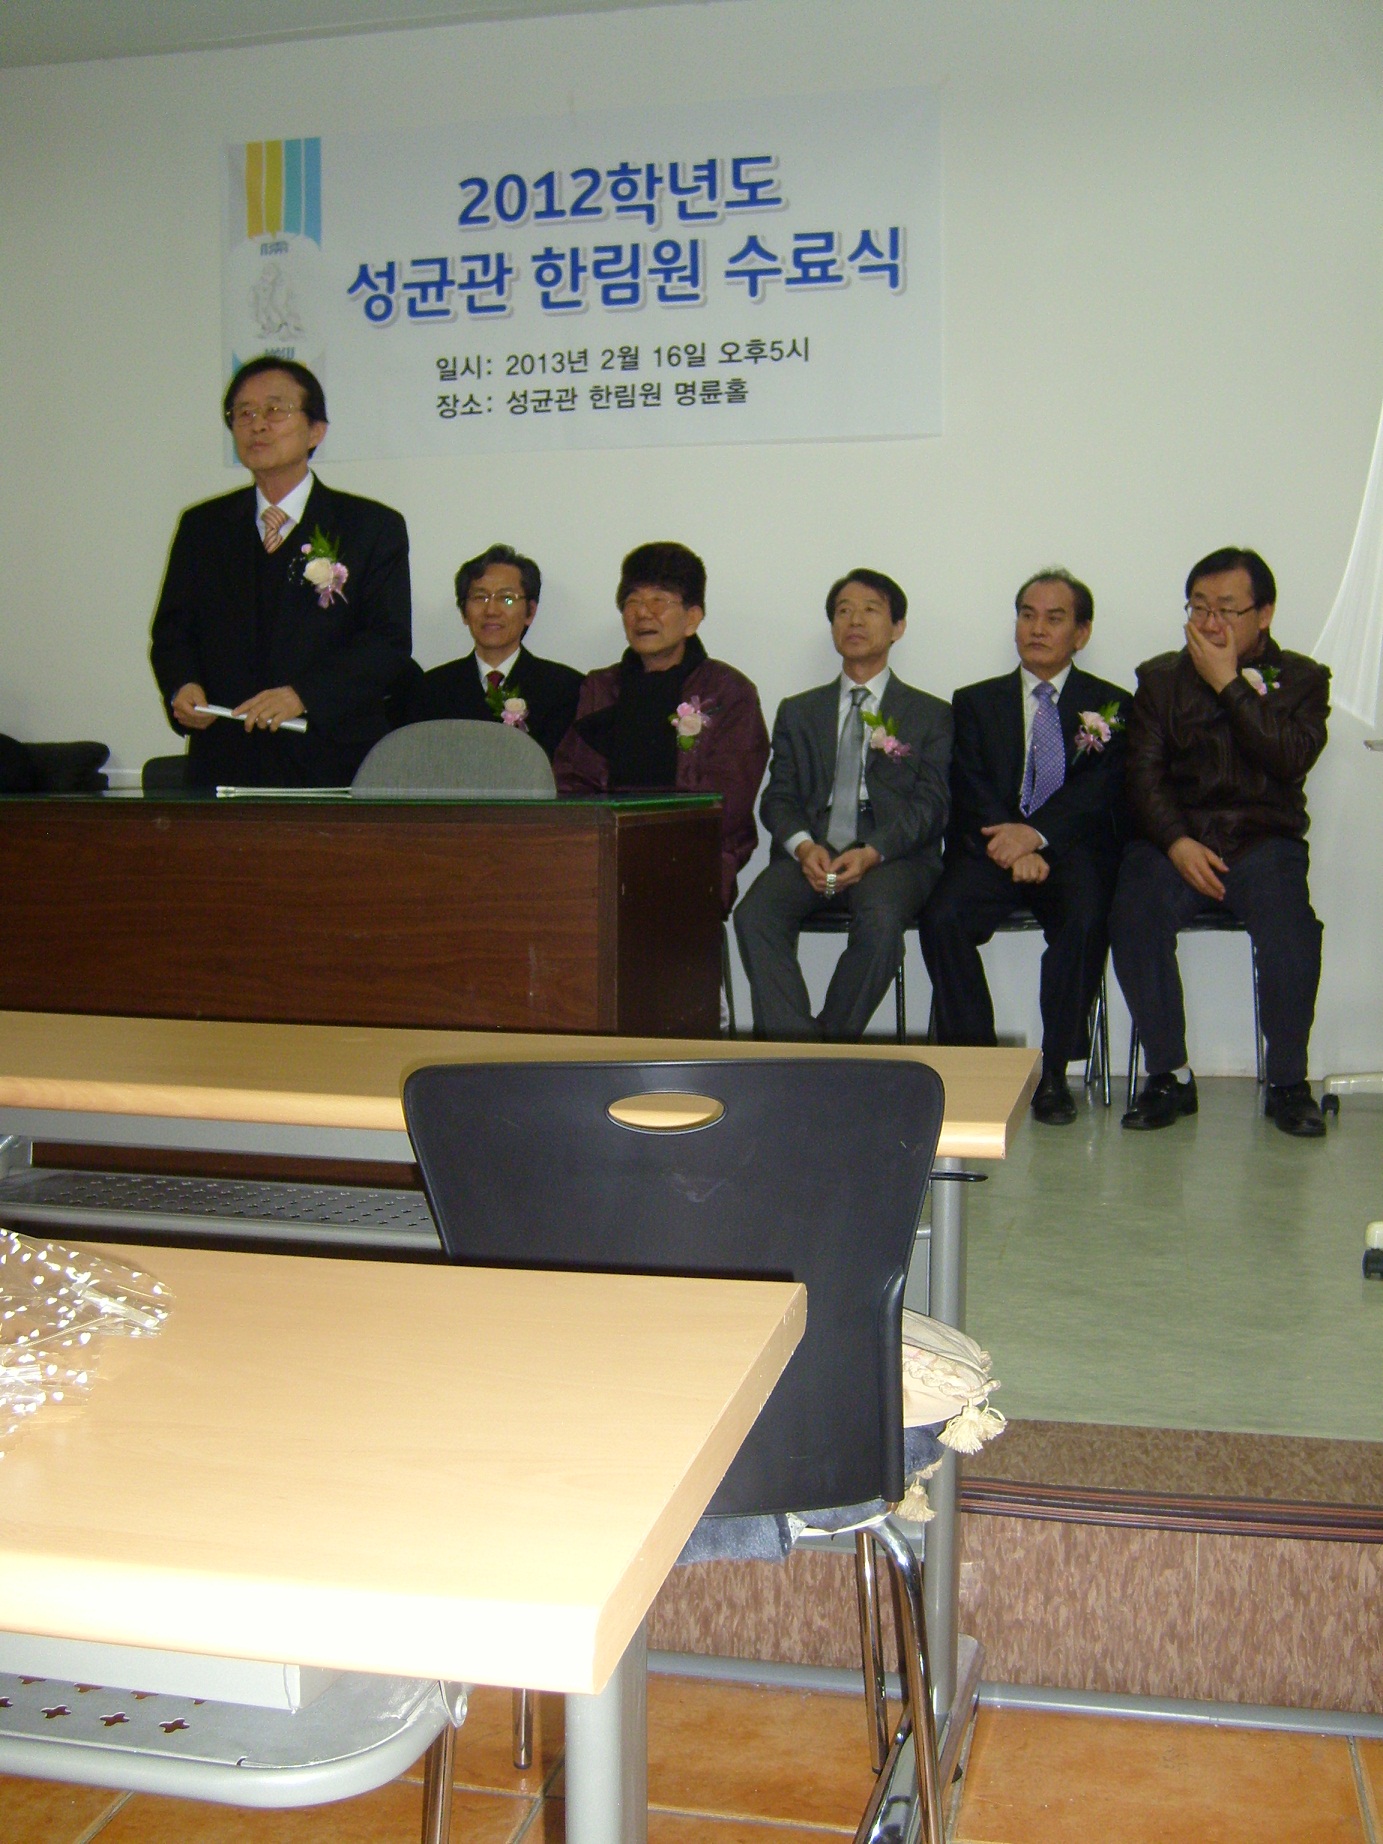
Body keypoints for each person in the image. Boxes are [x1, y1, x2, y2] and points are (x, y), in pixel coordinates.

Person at [1111, 547, 1330, 1137]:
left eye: (1226, 609)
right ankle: (1170, 1076)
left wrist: (1229, 684)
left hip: (1263, 841)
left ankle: (1288, 1083)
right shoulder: (1159, 678)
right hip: (1176, 841)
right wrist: (1176, 841)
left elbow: (1290, 759)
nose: (1209, 623)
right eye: (1199, 607)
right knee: (1133, 913)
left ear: (1265, 613)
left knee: (1293, 931)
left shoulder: (1304, 680)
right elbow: (1143, 776)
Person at [920, 569, 1131, 1125]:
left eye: (1054, 618)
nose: (1036, 629)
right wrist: (1012, 842)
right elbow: (970, 783)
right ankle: (978, 1062)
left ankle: (1055, 1071)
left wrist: (1037, 839)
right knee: (942, 917)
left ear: (1081, 633)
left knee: (1087, 918)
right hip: (990, 847)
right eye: (1027, 615)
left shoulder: (1111, 704)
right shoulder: (974, 701)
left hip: (1070, 851)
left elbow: (1100, 790)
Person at [150, 356, 411, 788]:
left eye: (275, 410)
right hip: (224, 757)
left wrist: (303, 696)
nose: (257, 425)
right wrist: (182, 686)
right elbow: (173, 631)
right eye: (244, 413)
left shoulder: (371, 526)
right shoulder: (203, 527)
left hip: (328, 757)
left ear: (316, 431)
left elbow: (387, 643)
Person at [734, 569, 951, 1041]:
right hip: (813, 846)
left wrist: (874, 851)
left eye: (870, 610)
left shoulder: (931, 713)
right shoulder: (798, 710)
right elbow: (779, 796)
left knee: (882, 921)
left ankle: (826, 1046)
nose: (854, 620)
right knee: (755, 914)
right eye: (843, 611)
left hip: (892, 855)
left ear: (897, 627)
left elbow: (932, 805)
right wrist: (802, 846)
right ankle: (799, 1049)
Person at [553, 542, 769, 915]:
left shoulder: (728, 691)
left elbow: (729, 802)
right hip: (603, 853)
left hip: (693, 855)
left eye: (659, 601)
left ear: (692, 618)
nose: (642, 613)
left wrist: (651, 844)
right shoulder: (600, 688)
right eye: (633, 601)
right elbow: (570, 781)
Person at [401, 543, 583, 762]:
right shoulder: (429, 689)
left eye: (507, 598)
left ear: (530, 611)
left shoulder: (566, 689)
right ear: (464, 612)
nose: (491, 610)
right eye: (480, 598)